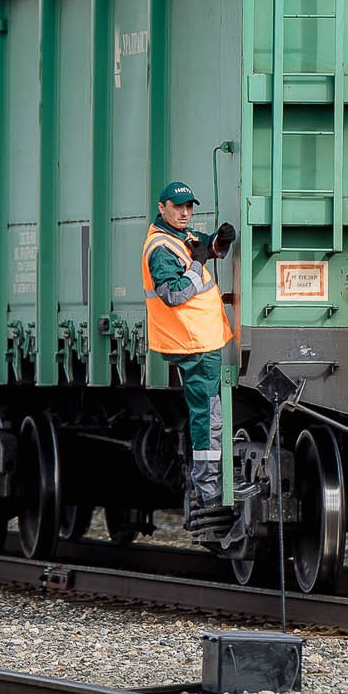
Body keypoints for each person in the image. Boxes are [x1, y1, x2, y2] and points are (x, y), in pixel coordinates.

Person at [141, 180, 237, 541]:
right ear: (162, 207)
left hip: (199, 339)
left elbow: (200, 248)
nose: (184, 213)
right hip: (193, 341)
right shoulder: (160, 248)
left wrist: (218, 243)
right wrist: (198, 263)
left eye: (189, 207)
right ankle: (209, 492)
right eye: (178, 207)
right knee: (208, 417)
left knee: (207, 414)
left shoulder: (176, 237)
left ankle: (209, 487)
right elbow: (174, 293)